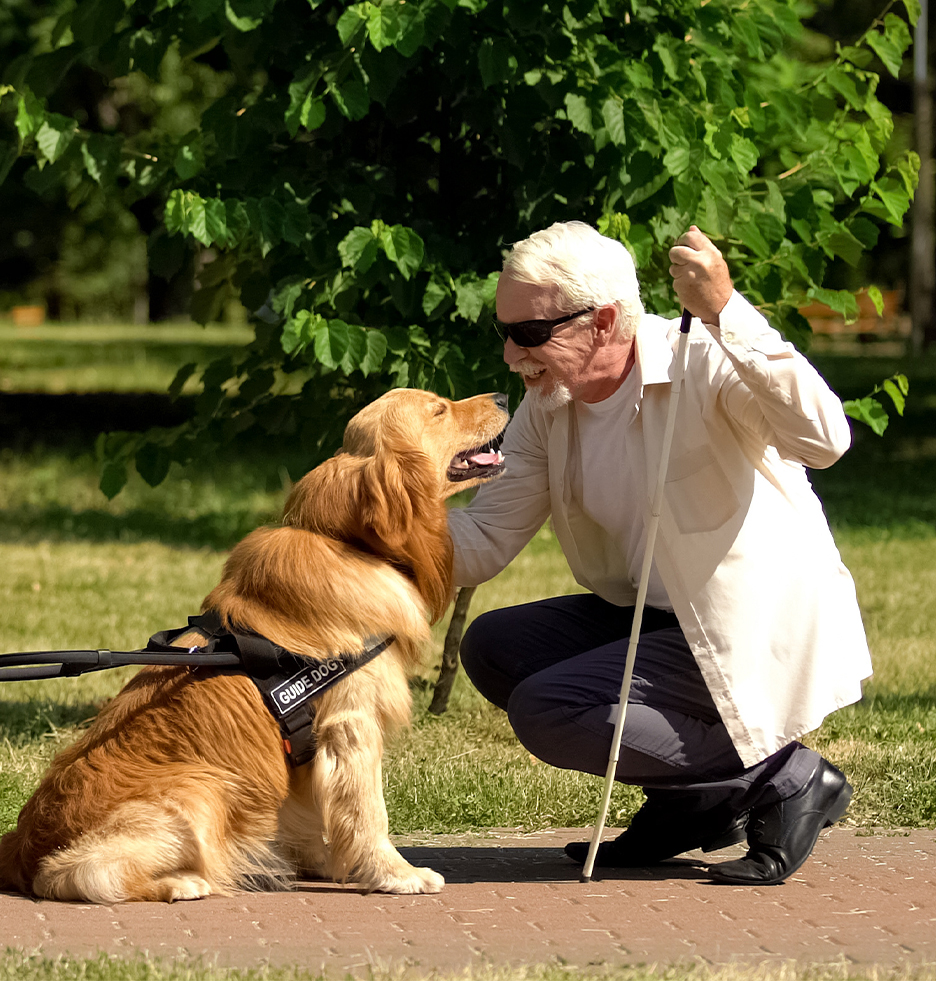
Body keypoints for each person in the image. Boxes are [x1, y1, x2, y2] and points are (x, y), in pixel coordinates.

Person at [447, 221, 872, 885]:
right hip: (655, 613)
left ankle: (786, 776)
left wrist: (727, 311)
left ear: (604, 320)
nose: (510, 355)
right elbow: (483, 539)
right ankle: (696, 800)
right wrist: (367, 526)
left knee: (549, 709)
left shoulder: (702, 360)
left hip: (747, 624)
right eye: (504, 331)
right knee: (495, 645)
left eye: (529, 333)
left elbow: (824, 438)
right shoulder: (547, 406)